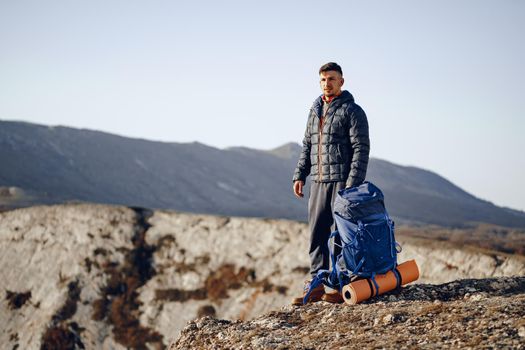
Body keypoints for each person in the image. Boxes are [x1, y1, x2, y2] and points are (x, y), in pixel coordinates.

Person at [291, 62, 370, 305]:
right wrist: (299, 175)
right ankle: (316, 285)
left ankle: (337, 287)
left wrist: (352, 184)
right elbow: (308, 145)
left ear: (342, 82)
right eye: (324, 79)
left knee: (338, 236)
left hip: (342, 183)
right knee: (317, 234)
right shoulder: (314, 111)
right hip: (318, 182)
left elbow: (361, 148)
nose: (328, 83)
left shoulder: (353, 111)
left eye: (332, 79)